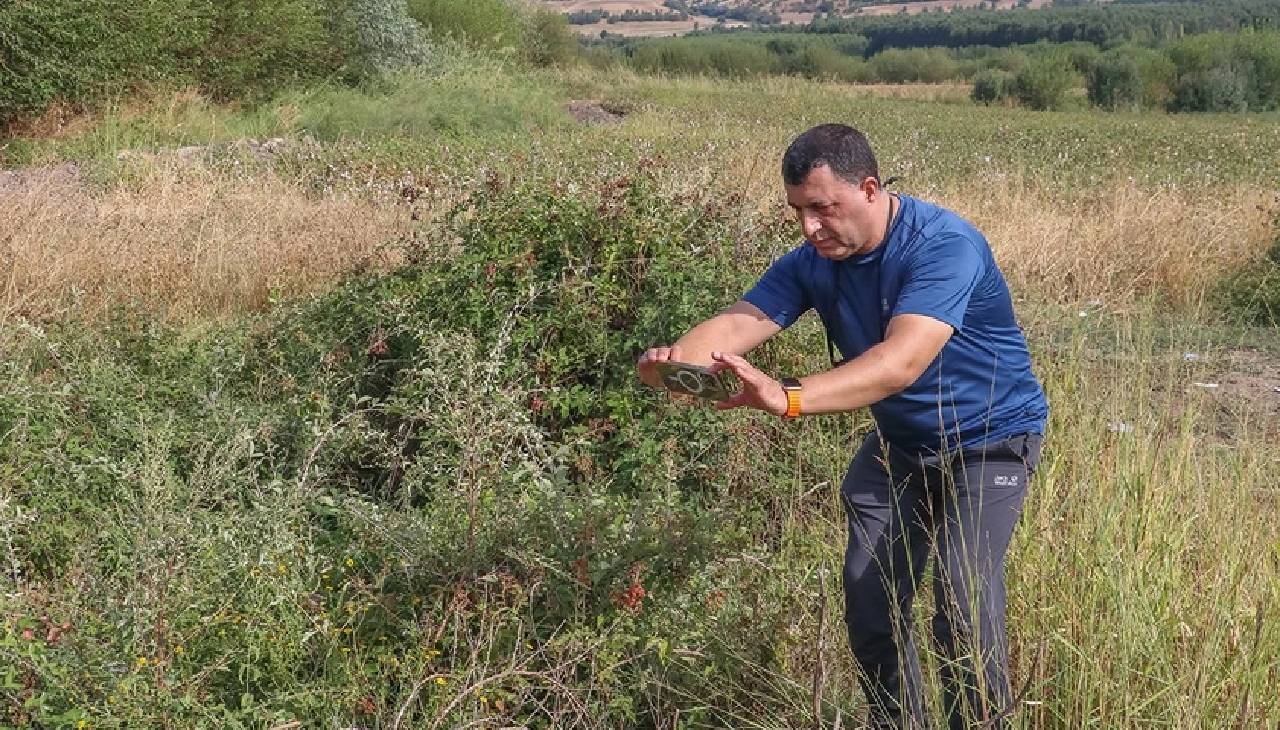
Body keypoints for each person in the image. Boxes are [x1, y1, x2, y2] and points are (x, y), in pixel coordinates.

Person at [636, 123, 1048, 729]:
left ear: (870, 189)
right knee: (869, 599)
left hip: (989, 443)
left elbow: (899, 364)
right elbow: (734, 325)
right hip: (901, 446)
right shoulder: (813, 261)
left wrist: (787, 397)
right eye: (799, 211)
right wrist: (678, 365)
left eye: (824, 209)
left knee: (962, 604)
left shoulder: (943, 246)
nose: (810, 228)